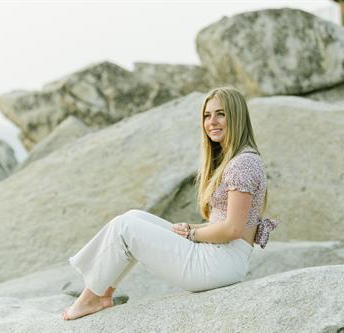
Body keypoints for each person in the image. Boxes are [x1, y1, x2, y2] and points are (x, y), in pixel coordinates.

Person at [61, 86, 279, 321]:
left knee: (126, 227)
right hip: (218, 256)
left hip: (219, 264)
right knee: (134, 217)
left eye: (221, 114)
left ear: (236, 117)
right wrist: (191, 229)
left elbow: (233, 229)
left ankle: (89, 299)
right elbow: (226, 223)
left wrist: (192, 235)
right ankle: (104, 293)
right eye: (207, 115)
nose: (212, 122)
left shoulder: (243, 163)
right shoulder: (235, 159)